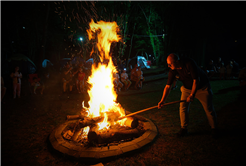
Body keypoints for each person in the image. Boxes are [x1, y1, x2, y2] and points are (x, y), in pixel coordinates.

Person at [158, 53, 218, 138]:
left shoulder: (189, 63)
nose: (168, 66)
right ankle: (184, 128)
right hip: (186, 89)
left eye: (170, 63)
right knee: (183, 107)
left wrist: (192, 95)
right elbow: (168, 86)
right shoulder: (173, 70)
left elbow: (196, 81)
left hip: (202, 88)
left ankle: (214, 128)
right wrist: (162, 100)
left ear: (177, 61)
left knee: (209, 109)